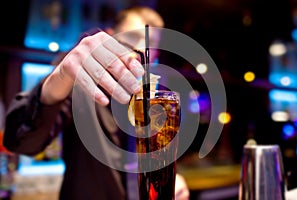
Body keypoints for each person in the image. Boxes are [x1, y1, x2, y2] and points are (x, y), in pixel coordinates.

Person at [3, 6, 189, 200]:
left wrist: (175, 179)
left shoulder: (158, 100)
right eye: (130, 41)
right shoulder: (79, 86)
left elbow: (159, 157)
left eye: (149, 49)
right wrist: (61, 76)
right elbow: (21, 142)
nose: (138, 54)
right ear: (110, 37)